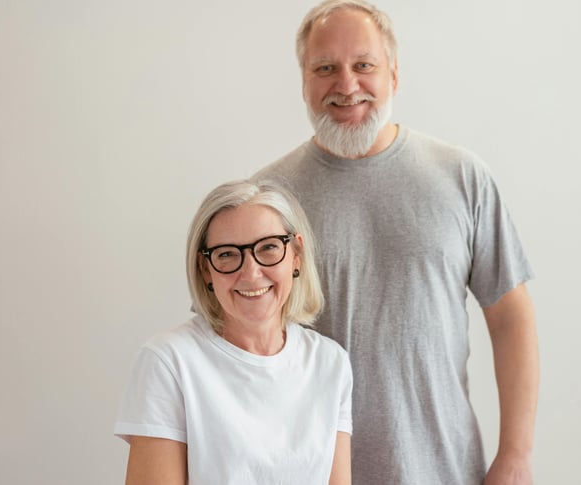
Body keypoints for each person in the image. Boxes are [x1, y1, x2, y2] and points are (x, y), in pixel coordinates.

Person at [253, 1, 539, 484]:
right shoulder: (266, 199)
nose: (347, 85)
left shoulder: (461, 177)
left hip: (445, 471)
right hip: (309, 474)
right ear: (303, 80)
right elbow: (230, 347)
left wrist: (516, 455)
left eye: (364, 65)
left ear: (394, 74)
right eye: (325, 68)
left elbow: (512, 317)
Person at [113, 180, 353, 485]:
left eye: (268, 247)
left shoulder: (330, 363)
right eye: (227, 254)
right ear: (206, 269)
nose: (250, 273)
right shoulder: (168, 362)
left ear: (296, 255)